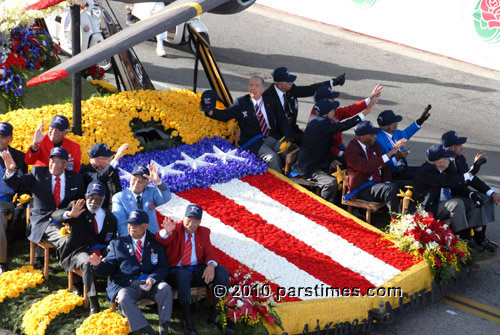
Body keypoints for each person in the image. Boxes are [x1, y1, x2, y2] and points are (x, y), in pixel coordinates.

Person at [89, 210, 172, 335]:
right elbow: (108, 268)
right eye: (130, 224)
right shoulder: (118, 243)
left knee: (165, 288)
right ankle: (147, 330)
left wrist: (152, 279)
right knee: (123, 298)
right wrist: (98, 266)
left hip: (151, 284)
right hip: (127, 284)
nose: (132, 227)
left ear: (146, 226)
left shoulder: (155, 242)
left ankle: (164, 329)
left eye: (136, 224)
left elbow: (163, 267)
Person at [3, 147, 85, 268]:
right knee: (65, 240)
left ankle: (80, 269)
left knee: (82, 237)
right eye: (52, 161)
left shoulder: (75, 178)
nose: (54, 165)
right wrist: (10, 171)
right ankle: (73, 273)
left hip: (69, 218)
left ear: (65, 164)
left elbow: (80, 200)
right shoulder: (38, 173)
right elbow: (18, 184)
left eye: (59, 161)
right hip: (45, 220)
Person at [156, 204, 231, 335]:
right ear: (183, 218)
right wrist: (166, 232)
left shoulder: (204, 232)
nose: (191, 224)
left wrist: (211, 266)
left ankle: (217, 314)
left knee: (222, 272)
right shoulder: (175, 229)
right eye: (189, 219)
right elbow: (161, 239)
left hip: (195, 271)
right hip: (175, 272)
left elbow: (210, 253)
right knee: (183, 275)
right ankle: (187, 320)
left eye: (195, 221)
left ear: (199, 223)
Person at [201, 76, 294, 172]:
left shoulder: (271, 102)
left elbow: (283, 121)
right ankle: (280, 184)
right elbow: (225, 115)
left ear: (262, 89)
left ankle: (293, 177)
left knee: (289, 152)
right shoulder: (241, 102)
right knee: (272, 158)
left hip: (271, 136)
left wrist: (288, 138)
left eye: (257, 85)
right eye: (251, 85)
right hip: (253, 141)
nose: (253, 88)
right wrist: (210, 111)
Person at [51, 181, 117, 314]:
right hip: (78, 250)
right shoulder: (78, 208)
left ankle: (118, 295)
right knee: (87, 263)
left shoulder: (110, 217)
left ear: (103, 199)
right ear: (86, 196)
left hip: (100, 250)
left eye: (98, 198)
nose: (94, 201)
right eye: (91, 197)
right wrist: (70, 215)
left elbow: (109, 238)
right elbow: (55, 214)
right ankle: (94, 303)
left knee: (116, 252)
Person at [294, 97, 375, 203]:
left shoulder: (318, 120)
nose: (335, 112)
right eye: (333, 111)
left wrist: (332, 159)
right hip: (310, 168)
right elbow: (342, 126)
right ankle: (325, 206)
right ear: (327, 114)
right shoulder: (321, 123)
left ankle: (352, 197)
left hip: (321, 160)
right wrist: (364, 113)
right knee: (331, 183)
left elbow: (323, 145)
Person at [413, 144, 489, 249]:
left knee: (472, 202)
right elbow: (448, 181)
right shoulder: (427, 171)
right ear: (438, 162)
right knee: (456, 204)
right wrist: (472, 172)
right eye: (446, 157)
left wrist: (471, 194)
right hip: (431, 208)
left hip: (444, 202)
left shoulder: (445, 168)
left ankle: (478, 237)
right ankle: (462, 239)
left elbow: (457, 183)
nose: (449, 159)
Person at [441, 131, 498, 251]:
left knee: (486, 198)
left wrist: (491, 192)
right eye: (458, 145)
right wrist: (471, 194)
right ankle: (468, 238)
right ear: (449, 148)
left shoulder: (460, 159)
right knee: (475, 202)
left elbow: (470, 178)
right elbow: (455, 184)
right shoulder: (443, 162)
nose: (461, 147)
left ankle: (480, 237)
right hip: (450, 196)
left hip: (461, 191)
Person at [263, 66, 346, 144]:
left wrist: (333, 82)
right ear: (280, 85)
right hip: (278, 134)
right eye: (289, 82)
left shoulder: (291, 89)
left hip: (293, 129)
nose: (292, 83)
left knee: (313, 144)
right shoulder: (267, 98)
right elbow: (269, 123)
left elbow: (309, 89)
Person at [310, 84, 384, 168]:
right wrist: (367, 111)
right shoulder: (318, 122)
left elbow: (348, 110)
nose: (334, 100)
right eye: (332, 98)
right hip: (329, 153)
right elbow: (324, 144)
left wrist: (370, 99)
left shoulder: (328, 111)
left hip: (339, 147)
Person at [344, 121, 407, 215]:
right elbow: (367, 167)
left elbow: (383, 165)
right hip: (362, 188)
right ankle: (397, 222)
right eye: (372, 134)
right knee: (390, 189)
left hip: (378, 183)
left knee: (407, 185)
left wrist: (387, 181)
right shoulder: (351, 150)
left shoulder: (374, 145)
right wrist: (391, 152)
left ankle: (413, 218)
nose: (375, 136)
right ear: (362, 137)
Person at [375, 106, 431, 183]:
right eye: (395, 122)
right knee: (424, 177)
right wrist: (397, 158)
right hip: (392, 174)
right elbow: (382, 165)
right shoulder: (378, 142)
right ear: (390, 126)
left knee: (426, 170)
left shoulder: (394, 133)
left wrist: (420, 120)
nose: (397, 123)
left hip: (402, 168)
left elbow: (407, 133)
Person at [112, 164, 171, 236]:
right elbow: (121, 223)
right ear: (130, 179)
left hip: (152, 236)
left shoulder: (151, 192)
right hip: (132, 238)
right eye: (134, 179)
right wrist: (131, 242)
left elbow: (166, 198)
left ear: (146, 184)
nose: (136, 183)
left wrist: (158, 182)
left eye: (140, 181)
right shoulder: (119, 197)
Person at [0, 122, 27, 274]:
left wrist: (20, 205)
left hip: (11, 201)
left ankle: (1, 262)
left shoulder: (19, 157)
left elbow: (24, 185)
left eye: (2, 137)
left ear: (10, 138)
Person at [80, 142, 129, 210]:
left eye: (111, 157)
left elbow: (118, 190)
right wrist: (116, 158)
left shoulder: (112, 170)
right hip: (97, 210)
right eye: (107, 158)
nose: (110, 160)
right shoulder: (86, 171)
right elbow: (100, 179)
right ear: (96, 160)